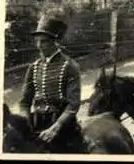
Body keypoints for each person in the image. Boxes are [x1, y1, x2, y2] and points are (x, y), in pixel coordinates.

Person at [18, 15, 84, 153]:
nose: (39, 46)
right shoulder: (34, 67)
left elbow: (73, 104)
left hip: (62, 125)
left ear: (55, 42)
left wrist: (56, 127)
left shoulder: (70, 66)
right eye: (37, 41)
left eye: (44, 42)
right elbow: (24, 102)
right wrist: (25, 123)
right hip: (36, 122)